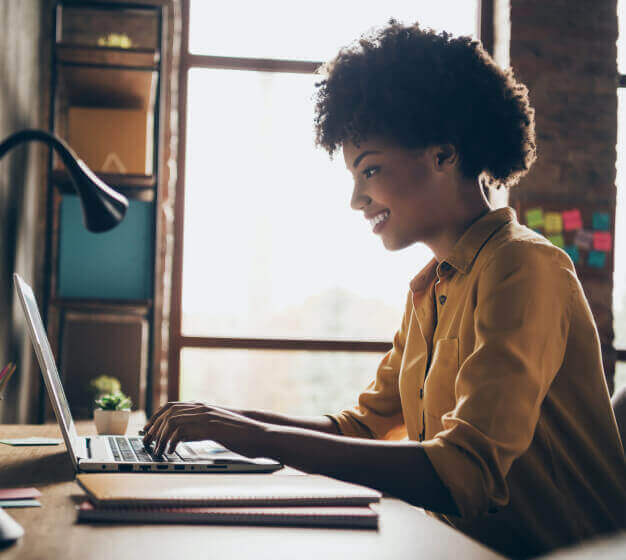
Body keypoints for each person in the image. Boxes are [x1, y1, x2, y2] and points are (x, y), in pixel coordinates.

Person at [142, 21, 626, 558]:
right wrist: (228, 422)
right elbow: (363, 429)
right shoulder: (432, 288)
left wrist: (254, 438)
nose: (356, 199)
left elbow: (465, 473)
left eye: (369, 170)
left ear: (445, 154)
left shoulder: (524, 268)